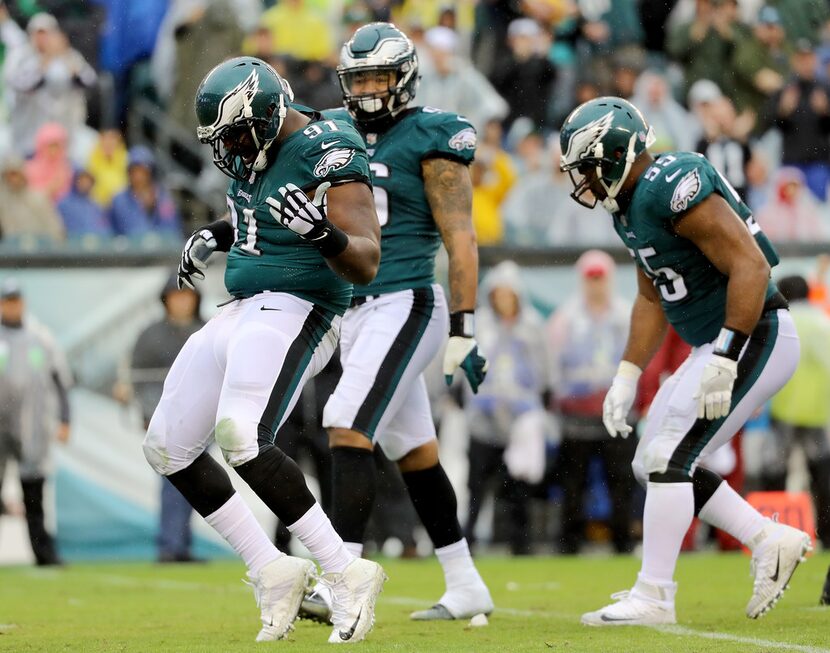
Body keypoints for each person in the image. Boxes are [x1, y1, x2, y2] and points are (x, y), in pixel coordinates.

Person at [144, 56, 384, 644]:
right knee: (167, 445)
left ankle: (346, 570)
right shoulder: (259, 148)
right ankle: (271, 568)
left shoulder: (325, 147)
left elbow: (366, 260)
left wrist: (321, 233)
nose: (226, 151)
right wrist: (216, 234)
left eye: (233, 136)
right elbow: (259, 218)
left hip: (300, 306)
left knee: (241, 434)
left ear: (269, 116)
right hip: (245, 306)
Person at [559, 96, 811, 625]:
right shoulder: (629, 206)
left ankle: (654, 596)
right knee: (650, 461)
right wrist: (626, 375)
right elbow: (652, 296)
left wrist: (726, 354)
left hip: (753, 334)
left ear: (618, 153)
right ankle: (768, 539)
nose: (583, 180)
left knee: (669, 459)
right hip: (717, 342)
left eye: (588, 166)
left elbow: (750, 264)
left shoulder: (672, 180)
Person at [302, 23, 493, 623]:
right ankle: (466, 585)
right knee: (414, 450)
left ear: (405, 77)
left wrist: (463, 325)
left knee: (345, 421)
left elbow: (461, 238)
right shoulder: (333, 133)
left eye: (378, 77)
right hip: (357, 311)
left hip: (405, 299)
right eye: (356, 79)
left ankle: (342, 578)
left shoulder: (431, 135)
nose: (366, 91)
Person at [546, 250, 635, 555]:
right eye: (590, 278)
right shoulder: (565, 318)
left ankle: (623, 541)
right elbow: (553, 365)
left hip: (618, 413)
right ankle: (569, 543)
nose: (596, 285)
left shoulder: (625, 315)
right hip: (576, 414)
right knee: (573, 483)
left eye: (601, 278)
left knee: (621, 481)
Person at [464, 260, 550, 555]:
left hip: (519, 422)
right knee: (476, 484)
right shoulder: (479, 324)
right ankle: (469, 538)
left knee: (519, 484)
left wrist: (528, 402)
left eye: (508, 294)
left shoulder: (532, 326)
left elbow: (542, 371)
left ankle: (520, 542)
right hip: (483, 418)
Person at [129, 274, 205, 563]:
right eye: (176, 296)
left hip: (201, 423)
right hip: (167, 424)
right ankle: (169, 545)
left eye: (187, 296)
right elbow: (140, 378)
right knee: (172, 484)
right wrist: (152, 414)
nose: (182, 302)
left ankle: (181, 545)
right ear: (166, 300)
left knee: (199, 487)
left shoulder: (205, 330)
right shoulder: (150, 335)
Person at [0, 278, 71, 566]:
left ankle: (43, 553)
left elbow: (60, 381)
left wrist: (65, 420)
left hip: (32, 428)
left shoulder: (41, 337)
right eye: (7, 300)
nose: (12, 305)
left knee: (34, 494)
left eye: (16, 300)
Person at [765, 275, 830, 548]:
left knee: (776, 471)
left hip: (784, 409)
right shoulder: (820, 322)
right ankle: (826, 532)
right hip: (817, 410)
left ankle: (771, 530)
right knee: (822, 474)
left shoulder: (780, 323)